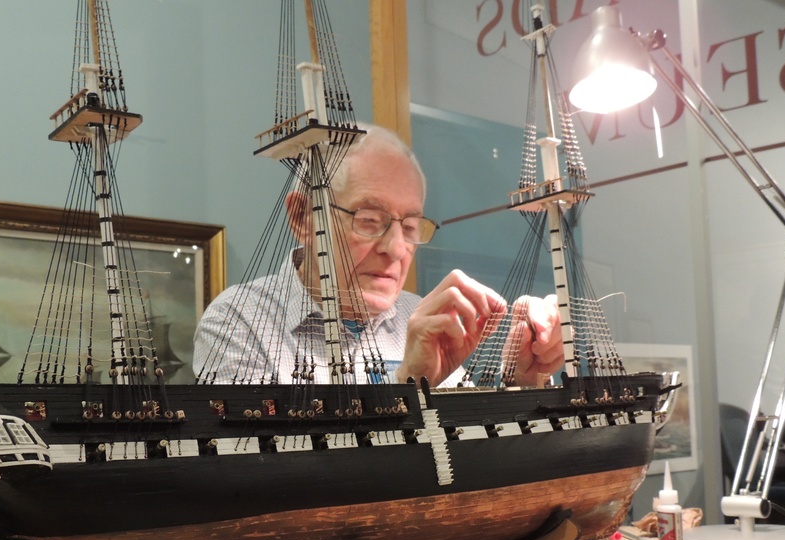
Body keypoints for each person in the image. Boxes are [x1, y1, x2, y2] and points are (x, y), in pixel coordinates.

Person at [194, 125, 563, 387]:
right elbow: (264, 475)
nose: (396, 249)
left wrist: (523, 379)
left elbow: (471, 453)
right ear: (302, 218)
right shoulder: (239, 323)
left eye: (410, 227)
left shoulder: (417, 317)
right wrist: (407, 385)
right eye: (369, 220)